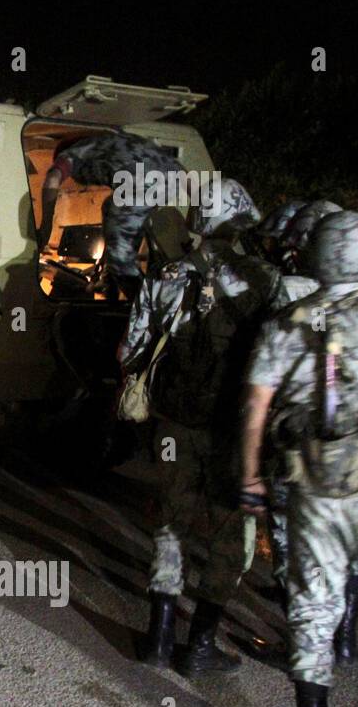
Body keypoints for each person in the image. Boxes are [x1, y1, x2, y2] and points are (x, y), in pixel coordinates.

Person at [120, 179, 280, 674]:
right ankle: (201, 645)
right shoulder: (268, 282)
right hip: (235, 435)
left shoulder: (165, 276)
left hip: (173, 427)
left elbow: (129, 351)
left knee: (171, 523)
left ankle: (159, 639)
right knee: (232, 539)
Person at [241, 210, 358, 707]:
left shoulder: (288, 321)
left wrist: (249, 475)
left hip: (313, 488)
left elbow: (257, 403)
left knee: (312, 605)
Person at [40, 132, 188, 300]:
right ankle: (110, 279)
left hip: (139, 184)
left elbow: (53, 178)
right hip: (172, 178)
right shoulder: (117, 141)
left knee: (121, 260)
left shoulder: (71, 153)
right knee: (111, 209)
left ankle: (145, 306)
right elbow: (184, 174)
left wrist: (46, 225)